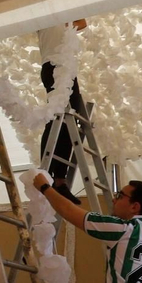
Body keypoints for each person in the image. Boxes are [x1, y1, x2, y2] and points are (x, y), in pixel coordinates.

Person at [37, 20, 89, 202]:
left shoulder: (62, 14)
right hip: (53, 65)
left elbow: (82, 23)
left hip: (66, 67)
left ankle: (59, 179)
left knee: (68, 121)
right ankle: (48, 174)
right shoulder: (40, 12)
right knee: (55, 118)